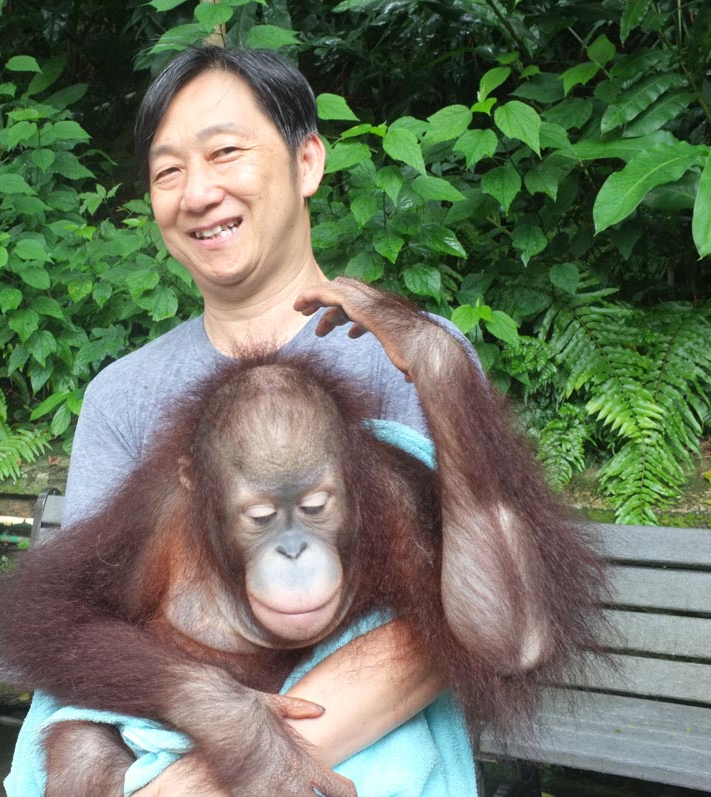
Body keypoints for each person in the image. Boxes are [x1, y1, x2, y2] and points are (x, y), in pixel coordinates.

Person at [27, 46, 470, 794]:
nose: (198, 191)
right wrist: (204, 703)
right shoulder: (122, 395)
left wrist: (208, 779)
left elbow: (456, 617)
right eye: (168, 171)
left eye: (225, 152)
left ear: (307, 162)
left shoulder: (409, 354)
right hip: (165, 719)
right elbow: (79, 622)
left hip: (350, 750)